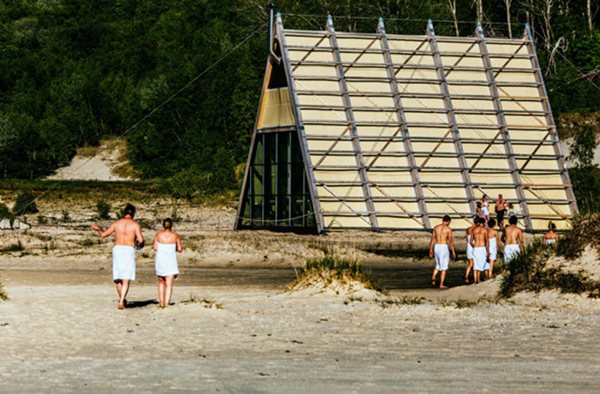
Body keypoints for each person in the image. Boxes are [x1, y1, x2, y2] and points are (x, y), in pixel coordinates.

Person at [91, 204, 144, 310]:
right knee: (126, 278)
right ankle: (121, 301)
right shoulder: (134, 224)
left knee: (118, 278)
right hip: (129, 249)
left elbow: (103, 234)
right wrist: (139, 245)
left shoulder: (116, 223)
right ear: (133, 213)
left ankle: (122, 300)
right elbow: (141, 240)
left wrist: (99, 228)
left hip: (118, 249)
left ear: (124, 213)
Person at [153, 218, 183, 308]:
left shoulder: (158, 235)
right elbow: (180, 249)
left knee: (161, 282)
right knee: (169, 283)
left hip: (160, 260)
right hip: (170, 261)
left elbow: (155, 247)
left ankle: (161, 302)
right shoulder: (175, 235)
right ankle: (167, 302)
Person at [429, 215, 456, 289]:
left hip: (437, 246)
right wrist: (453, 251)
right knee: (444, 266)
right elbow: (450, 241)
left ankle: (433, 276)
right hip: (443, 246)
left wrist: (431, 249)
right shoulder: (448, 229)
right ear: (448, 221)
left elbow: (432, 239)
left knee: (438, 264)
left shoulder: (436, 227)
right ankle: (441, 284)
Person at [470, 217, 489, 284]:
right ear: (484, 223)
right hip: (482, 247)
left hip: (475, 248)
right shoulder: (485, 230)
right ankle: (479, 279)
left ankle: (476, 280)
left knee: (476, 264)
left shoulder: (474, 230)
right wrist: (488, 251)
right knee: (481, 263)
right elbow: (487, 241)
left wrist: (473, 246)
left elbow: (471, 241)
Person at [464, 218, 477, 284]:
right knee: (475, 263)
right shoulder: (476, 229)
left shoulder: (469, 229)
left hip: (469, 247)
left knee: (470, 263)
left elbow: (467, 239)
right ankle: (476, 277)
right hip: (474, 246)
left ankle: (466, 275)